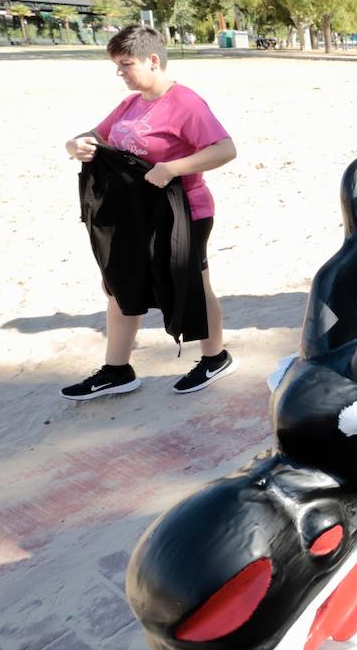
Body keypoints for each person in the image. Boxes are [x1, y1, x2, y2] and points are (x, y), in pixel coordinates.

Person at [61, 25, 238, 400]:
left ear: (152, 60)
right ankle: (117, 369)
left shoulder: (185, 103)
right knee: (120, 284)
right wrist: (76, 144)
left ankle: (215, 357)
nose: (120, 73)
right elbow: (97, 134)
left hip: (184, 213)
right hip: (135, 214)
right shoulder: (132, 103)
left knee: (192, 283)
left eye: (126, 64)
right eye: (117, 65)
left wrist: (173, 168)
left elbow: (225, 149)